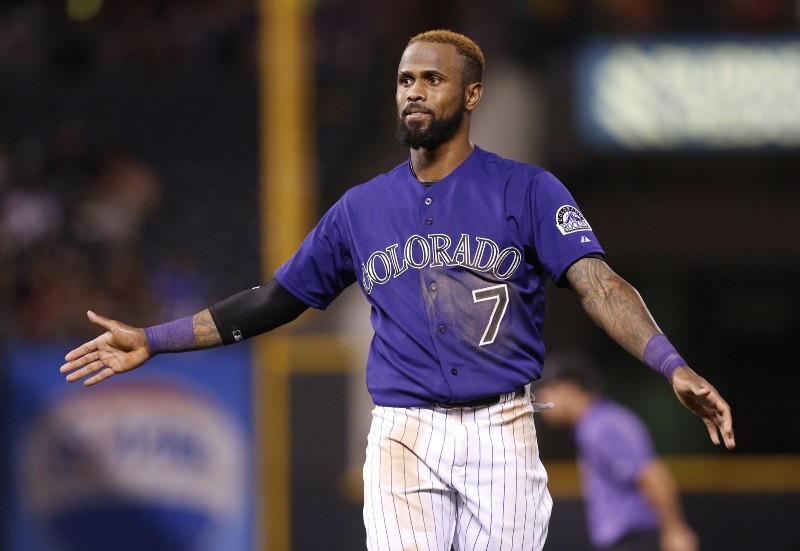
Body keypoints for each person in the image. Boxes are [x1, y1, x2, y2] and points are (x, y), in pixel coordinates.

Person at [60, 30, 734, 551]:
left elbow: (599, 284)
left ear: (471, 96)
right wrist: (154, 338)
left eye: (432, 80)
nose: (414, 91)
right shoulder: (359, 209)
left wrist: (668, 362)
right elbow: (275, 299)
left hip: (502, 428)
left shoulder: (526, 189)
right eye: (405, 78)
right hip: (403, 430)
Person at [536, 351, 700, 551]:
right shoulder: (592, 424)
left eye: (548, 389)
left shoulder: (601, 426)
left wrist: (675, 530)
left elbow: (652, 474)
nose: (543, 399)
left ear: (570, 387)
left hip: (635, 540)